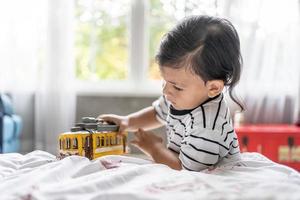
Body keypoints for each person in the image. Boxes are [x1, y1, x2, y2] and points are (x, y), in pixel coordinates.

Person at [98, 15, 243, 171]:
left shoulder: (208, 126)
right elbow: (157, 113)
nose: (166, 91)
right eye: (164, 81)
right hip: (183, 164)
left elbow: (186, 170)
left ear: (213, 88)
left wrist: (155, 149)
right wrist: (127, 122)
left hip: (206, 176)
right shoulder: (182, 97)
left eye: (177, 87)